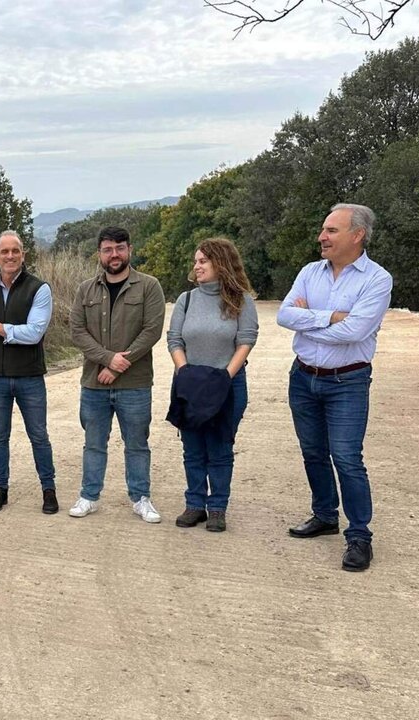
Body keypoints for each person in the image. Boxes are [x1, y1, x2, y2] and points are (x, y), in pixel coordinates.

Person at [277, 203, 392, 572]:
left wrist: (308, 321)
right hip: (303, 376)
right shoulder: (311, 272)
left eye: (331, 231)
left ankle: (359, 535)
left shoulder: (377, 279)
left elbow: (355, 331)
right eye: (323, 230)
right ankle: (325, 515)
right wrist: (330, 317)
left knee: (346, 458)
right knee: (312, 451)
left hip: (348, 381)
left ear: (357, 235)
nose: (321, 237)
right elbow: (284, 315)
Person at [68, 226, 166, 522]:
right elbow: (77, 331)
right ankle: (89, 496)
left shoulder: (149, 286)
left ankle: (140, 498)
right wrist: (108, 359)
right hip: (93, 383)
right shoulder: (85, 289)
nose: (114, 254)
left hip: (135, 384)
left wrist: (119, 364)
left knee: (137, 443)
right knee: (94, 443)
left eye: (120, 248)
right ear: (99, 253)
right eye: (108, 249)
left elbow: (152, 330)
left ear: (129, 250)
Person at [166, 238, 259, 532]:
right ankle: (195, 504)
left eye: (203, 261)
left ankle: (217, 507)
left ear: (221, 263)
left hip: (226, 385)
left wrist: (223, 378)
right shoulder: (186, 299)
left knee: (219, 449)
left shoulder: (241, 300)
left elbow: (246, 340)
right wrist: (186, 373)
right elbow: (174, 339)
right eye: (196, 261)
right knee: (192, 449)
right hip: (190, 384)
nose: (197, 266)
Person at [0, 230, 58, 514]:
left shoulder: (39, 289)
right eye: (4, 252)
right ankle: (0, 489)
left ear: (23, 255)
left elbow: (34, 333)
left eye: (15, 251)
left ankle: (48, 489)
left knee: (39, 435)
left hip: (30, 377)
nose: (10, 256)